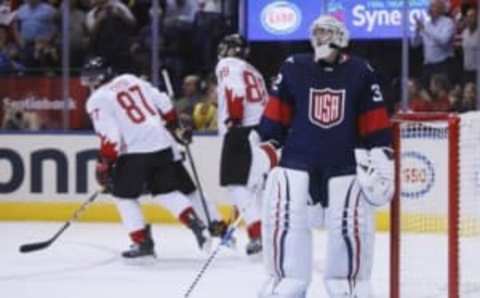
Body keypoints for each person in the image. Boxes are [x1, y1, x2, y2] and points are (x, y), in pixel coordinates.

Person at [258, 15, 394, 298]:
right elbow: (275, 117)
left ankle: (348, 287)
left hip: (343, 165)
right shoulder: (294, 66)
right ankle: (286, 285)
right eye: (317, 32)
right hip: (297, 162)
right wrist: (267, 147)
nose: (320, 38)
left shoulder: (360, 70)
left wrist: (380, 152)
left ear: (341, 38)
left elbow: (375, 121)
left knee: (347, 237)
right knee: (287, 231)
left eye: (326, 32)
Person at [82, 56, 213, 260]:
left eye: (92, 78)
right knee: (165, 191)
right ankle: (196, 224)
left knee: (124, 196)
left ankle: (142, 242)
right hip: (161, 143)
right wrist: (174, 126)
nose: (90, 83)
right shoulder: (130, 79)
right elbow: (163, 102)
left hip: (135, 150)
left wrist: (105, 164)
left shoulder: (97, 99)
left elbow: (111, 138)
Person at [215, 34, 278, 257]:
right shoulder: (254, 71)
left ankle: (257, 234)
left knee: (236, 184)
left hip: (241, 129)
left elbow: (236, 91)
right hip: (260, 130)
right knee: (255, 187)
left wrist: (233, 118)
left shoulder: (227, 65)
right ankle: (266, 234)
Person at [411, 0, 455, 87]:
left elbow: (443, 40)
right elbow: (414, 44)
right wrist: (416, 31)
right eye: (430, 6)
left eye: (433, 6)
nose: (430, 9)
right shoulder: (426, 24)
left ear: (441, 9)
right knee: (425, 91)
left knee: (442, 91)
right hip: (428, 65)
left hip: (443, 64)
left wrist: (425, 29)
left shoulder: (448, 23)